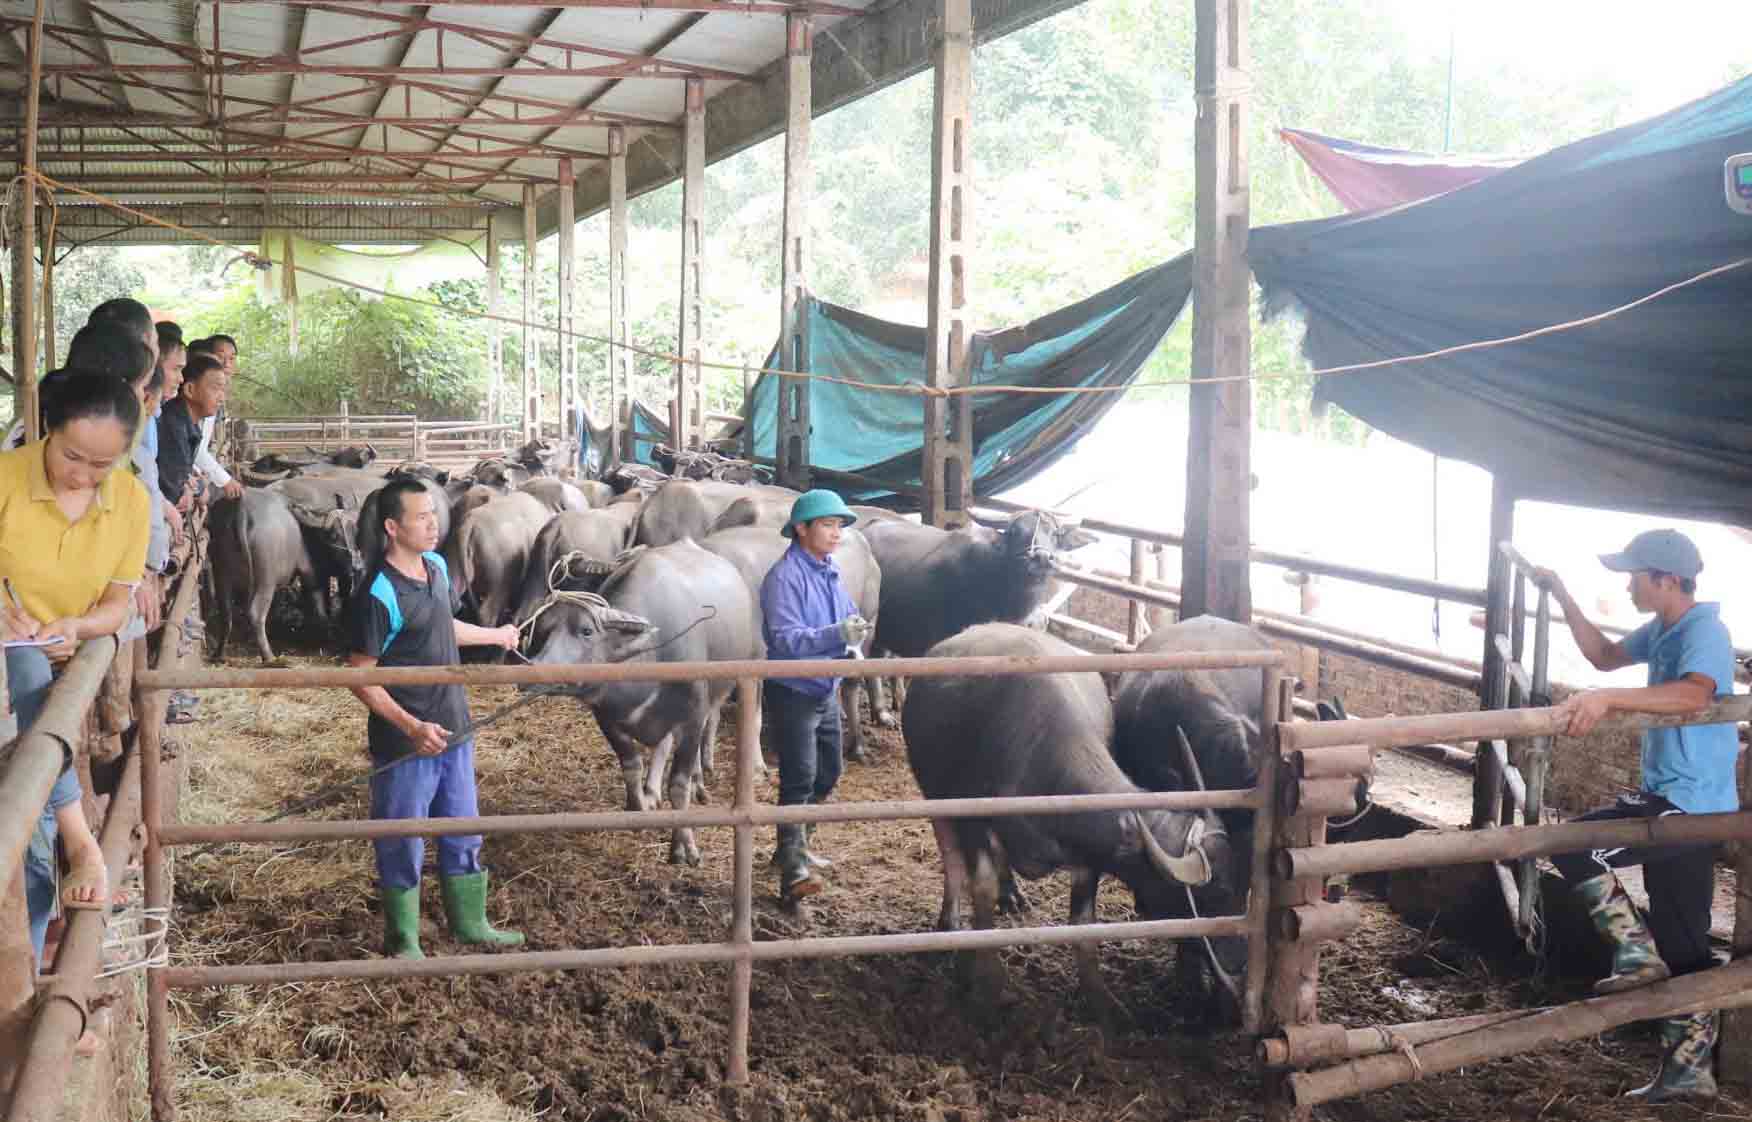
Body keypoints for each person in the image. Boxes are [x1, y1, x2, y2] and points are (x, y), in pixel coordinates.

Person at [1535, 529, 1735, 1103]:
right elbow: (1604, 656)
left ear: (1666, 580)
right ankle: (1689, 1073)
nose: (1628, 585)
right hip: (1677, 797)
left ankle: (1636, 956)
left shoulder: (1704, 631)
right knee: (1688, 944)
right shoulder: (1665, 628)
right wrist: (1563, 597)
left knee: (1575, 844)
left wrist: (1608, 698)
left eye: (1635, 575)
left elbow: (1696, 696)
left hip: (1687, 804)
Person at [0, 372, 152, 963]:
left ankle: (28, 989)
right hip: (12, 677)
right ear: (47, 430)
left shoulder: (131, 501)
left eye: (101, 465)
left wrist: (79, 628)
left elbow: (118, 602)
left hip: (52, 673)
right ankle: (82, 837)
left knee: (29, 844)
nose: (83, 475)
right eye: (71, 456)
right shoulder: (6, 479)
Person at [346, 478, 525, 960]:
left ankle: (470, 923)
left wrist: (495, 637)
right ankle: (404, 939)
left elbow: (441, 624)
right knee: (402, 838)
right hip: (407, 742)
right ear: (391, 527)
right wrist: (410, 726)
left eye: (433, 514)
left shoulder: (438, 567)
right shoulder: (378, 593)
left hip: (454, 728)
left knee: (463, 828)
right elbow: (360, 676)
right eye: (421, 517)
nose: (433, 523)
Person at [757, 489, 873, 902]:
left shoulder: (829, 571)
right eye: (828, 524)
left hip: (825, 688)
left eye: (839, 525)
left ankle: (795, 845)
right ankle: (793, 870)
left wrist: (853, 634)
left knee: (829, 773)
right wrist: (836, 635)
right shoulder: (783, 577)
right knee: (799, 778)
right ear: (801, 529)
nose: (836, 533)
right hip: (794, 690)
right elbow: (785, 641)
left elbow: (844, 616)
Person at [156, 354, 225, 511]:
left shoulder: (187, 423)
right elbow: (174, 493)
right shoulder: (174, 427)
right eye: (215, 388)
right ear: (189, 389)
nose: (221, 397)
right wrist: (196, 488)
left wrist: (190, 483)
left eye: (223, 389)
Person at [185, 337, 240, 500]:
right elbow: (195, 450)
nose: (226, 363)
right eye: (220, 356)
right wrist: (225, 480)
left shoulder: (217, 397)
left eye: (231, 358)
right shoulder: (202, 396)